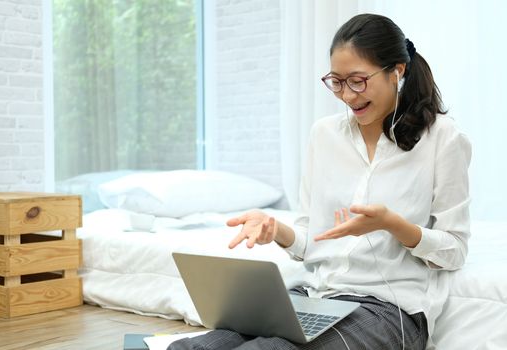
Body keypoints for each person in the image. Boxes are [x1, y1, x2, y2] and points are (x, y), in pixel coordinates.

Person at [168, 13, 471, 350]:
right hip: (313, 294)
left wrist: (392, 225)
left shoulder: (443, 138)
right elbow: (312, 241)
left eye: (358, 80)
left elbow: (454, 250)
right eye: (336, 82)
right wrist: (276, 230)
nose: (347, 95)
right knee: (193, 347)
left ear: (396, 70)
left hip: (387, 309)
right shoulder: (325, 135)